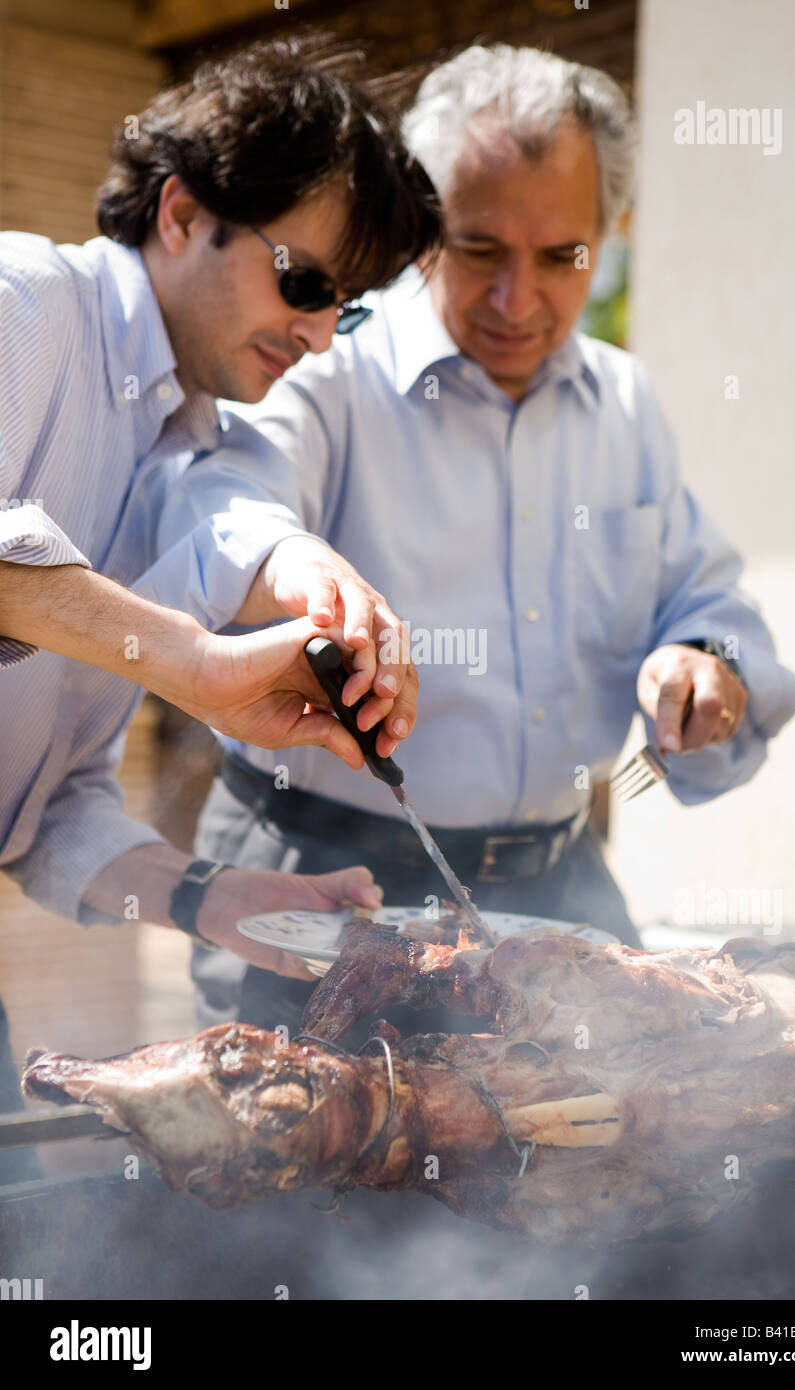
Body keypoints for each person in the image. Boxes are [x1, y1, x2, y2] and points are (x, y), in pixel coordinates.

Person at [147, 44, 795, 1031]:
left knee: (616, 1159)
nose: (516, 301)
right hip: (324, 875)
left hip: (560, 886)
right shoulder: (326, 365)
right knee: (307, 1164)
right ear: (421, 229)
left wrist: (704, 661)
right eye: (479, 249)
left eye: (560, 257)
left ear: (606, 235)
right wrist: (291, 563)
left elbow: (702, 597)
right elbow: (217, 504)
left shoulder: (621, 400)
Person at [0, 36, 440, 1175]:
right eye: (303, 281)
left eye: (340, 310)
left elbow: (46, 809)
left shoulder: (179, 435)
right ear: (184, 213)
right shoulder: (24, 303)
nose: (312, 331)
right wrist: (189, 656)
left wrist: (213, 895)